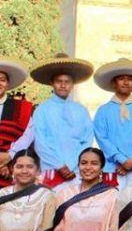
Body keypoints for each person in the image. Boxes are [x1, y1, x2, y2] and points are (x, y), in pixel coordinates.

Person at [0, 56, 35, 231]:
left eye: (2, 79)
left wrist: (11, 155)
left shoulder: (20, 108)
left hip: (10, 169)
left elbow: (28, 134)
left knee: (3, 221)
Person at [30, 54, 95, 191]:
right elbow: (40, 143)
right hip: (51, 170)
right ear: (52, 83)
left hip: (77, 171)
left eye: (67, 82)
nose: (63, 85)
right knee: (51, 209)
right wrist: (59, 165)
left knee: (77, 209)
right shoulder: (42, 110)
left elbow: (87, 140)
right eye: (59, 81)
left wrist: (72, 164)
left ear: (72, 85)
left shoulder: (81, 110)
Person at [93, 58, 132, 188]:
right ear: (114, 83)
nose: (126, 82)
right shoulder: (103, 110)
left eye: (129, 79)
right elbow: (102, 138)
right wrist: (121, 159)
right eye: (121, 78)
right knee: (112, 205)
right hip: (112, 168)